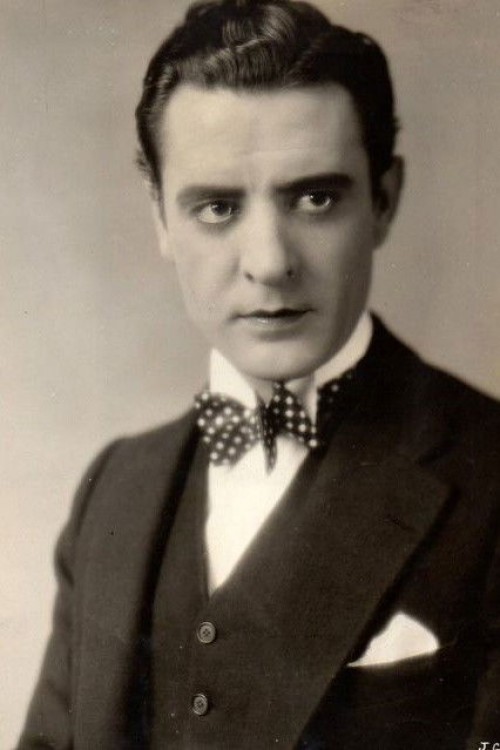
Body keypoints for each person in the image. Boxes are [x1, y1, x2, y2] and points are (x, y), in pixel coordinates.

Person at [18, 1, 500, 748]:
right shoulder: (114, 489)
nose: (270, 263)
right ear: (160, 218)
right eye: (216, 208)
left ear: (383, 200)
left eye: (315, 198)